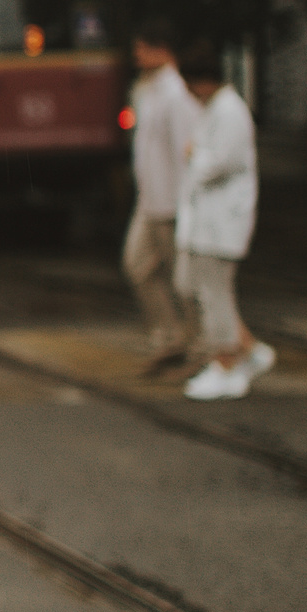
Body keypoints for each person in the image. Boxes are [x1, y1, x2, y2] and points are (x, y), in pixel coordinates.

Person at [174, 42, 273, 401]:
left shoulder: (229, 111)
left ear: (200, 81)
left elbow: (219, 164)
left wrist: (193, 154)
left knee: (213, 295)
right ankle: (248, 349)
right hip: (207, 220)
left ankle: (227, 365)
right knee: (197, 289)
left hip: (222, 220)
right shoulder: (215, 108)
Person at [124, 18, 198, 371]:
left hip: (172, 201)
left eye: (143, 48)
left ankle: (197, 346)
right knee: (137, 265)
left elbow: (185, 150)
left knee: (183, 279)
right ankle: (168, 337)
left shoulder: (176, 93)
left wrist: (188, 203)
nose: (137, 55)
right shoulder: (145, 89)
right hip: (149, 199)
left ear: (162, 50)